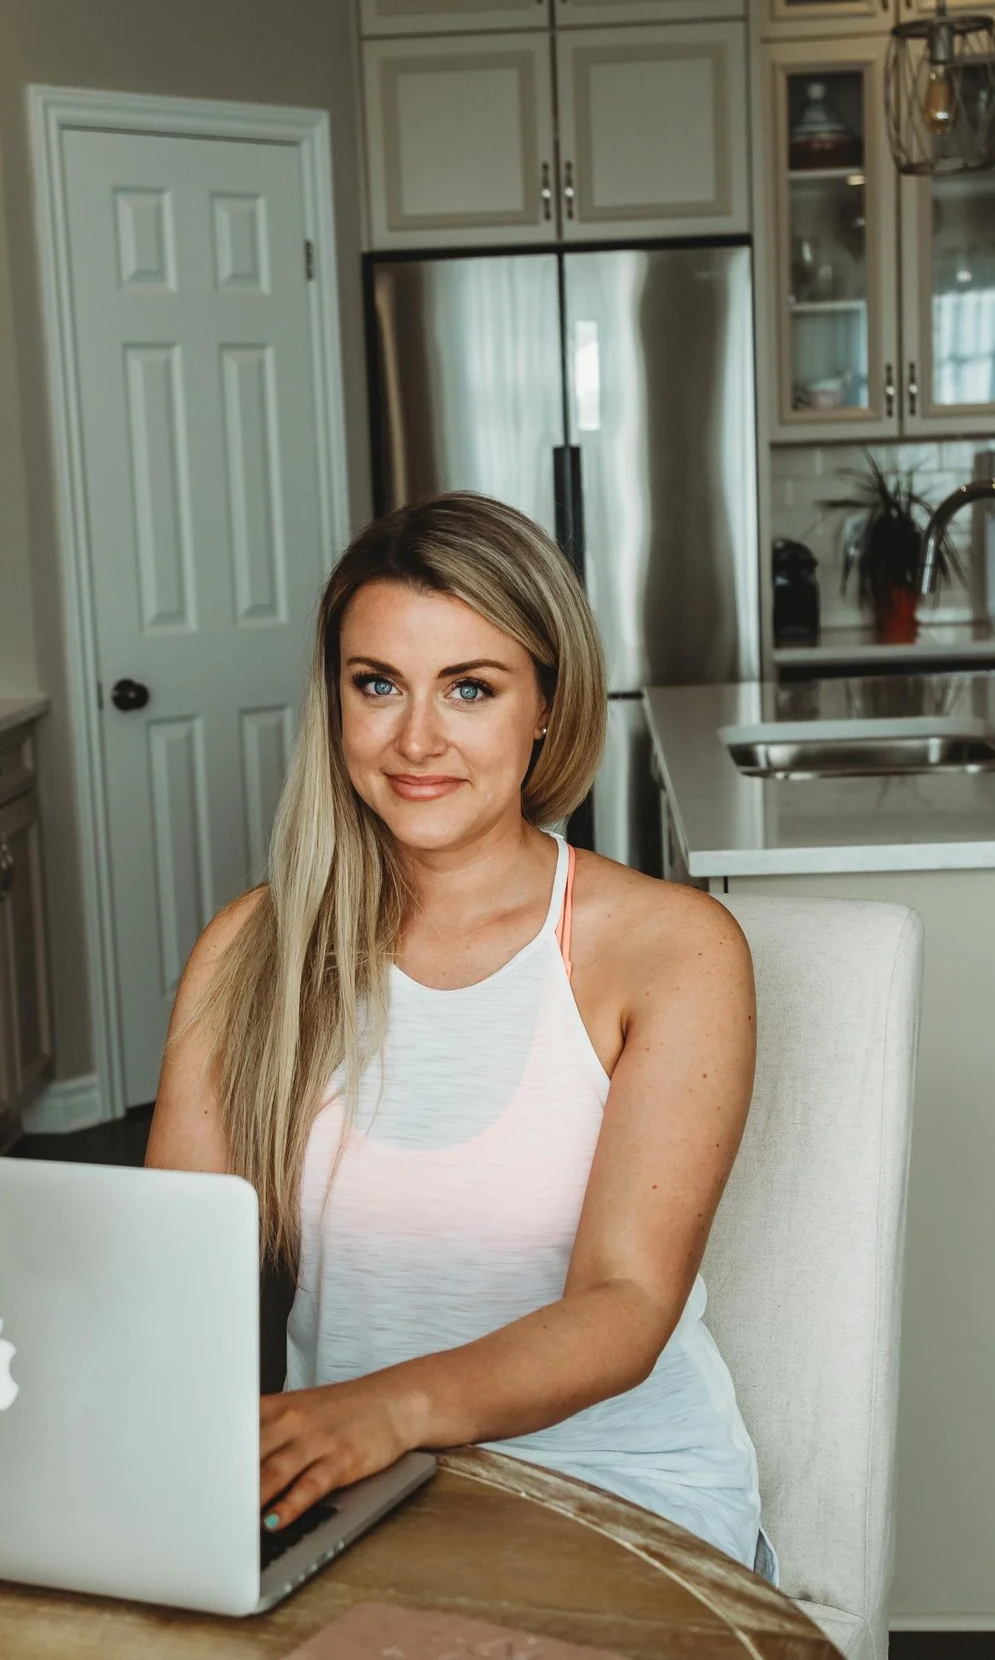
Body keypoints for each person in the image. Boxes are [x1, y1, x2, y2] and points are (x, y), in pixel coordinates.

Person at [146, 492, 770, 1572]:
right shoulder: (249, 947)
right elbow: (163, 1269)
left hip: (617, 1493)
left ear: (544, 706)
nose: (415, 738)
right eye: (375, 684)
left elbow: (627, 1301)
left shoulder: (670, 947)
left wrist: (385, 1409)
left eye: (469, 687)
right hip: (350, 1495)